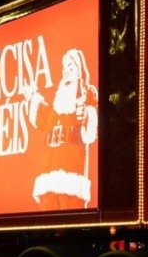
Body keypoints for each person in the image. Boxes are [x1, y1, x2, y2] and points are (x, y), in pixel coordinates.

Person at [22, 47, 98, 209]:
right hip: (48, 175)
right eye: (65, 68)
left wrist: (86, 115)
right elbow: (41, 118)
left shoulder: (83, 99)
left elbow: (90, 131)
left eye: (71, 68)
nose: (67, 72)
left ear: (79, 72)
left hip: (71, 175)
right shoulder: (55, 107)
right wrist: (32, 97)